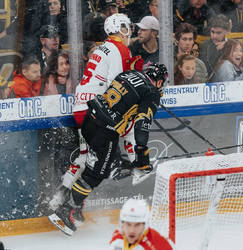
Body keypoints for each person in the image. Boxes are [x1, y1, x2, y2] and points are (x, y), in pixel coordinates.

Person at [48, 64, 169, 236]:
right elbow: (143, 123)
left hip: (90, 118)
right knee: (95, 174)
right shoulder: (152, 92)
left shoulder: (130, 74)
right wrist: (142, 152)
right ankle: (65, 211)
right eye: (162, 83)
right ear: (158, 81)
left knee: (96, 165)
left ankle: (73, 206)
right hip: (105, 130)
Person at [48, 13, 142, 225]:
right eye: (126, 27)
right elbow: (118, 85)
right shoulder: (119, 48)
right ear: (119, 28)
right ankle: (131, 163)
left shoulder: (103, 48)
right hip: (96, 109)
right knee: (103, 159)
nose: (129, 31)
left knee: (85, 157)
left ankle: (60, 196)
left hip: (82, 107)